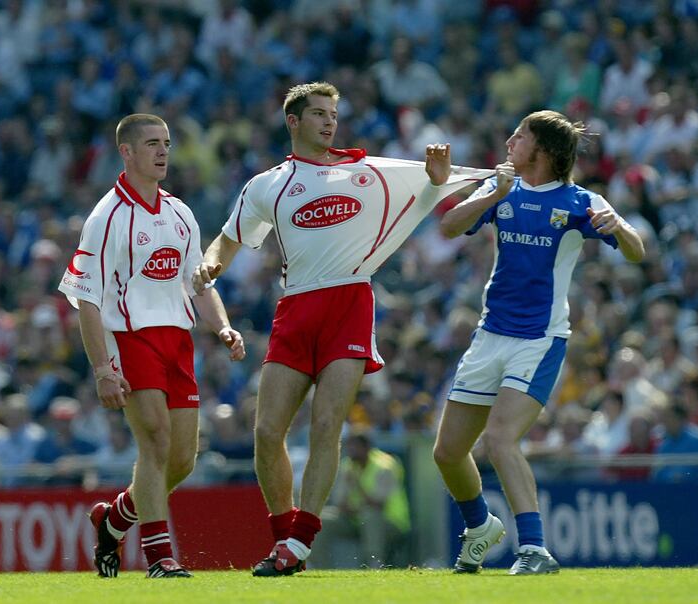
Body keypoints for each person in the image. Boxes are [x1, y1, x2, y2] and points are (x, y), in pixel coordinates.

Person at [193, 82, 490, 577]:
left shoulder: (363, 171)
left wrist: (438, 181)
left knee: (328, 422)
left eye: (333, 114)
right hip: (295, 308)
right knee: (267, 432)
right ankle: (283, 538)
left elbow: (426, 189)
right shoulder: (268, 185)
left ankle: (301, 542)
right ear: (294, 121)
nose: (330, 122)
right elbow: (227, 242)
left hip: (350, 301)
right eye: (319, 114)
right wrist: (209, 267)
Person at [432, 110, 645, 575]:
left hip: (539, 339)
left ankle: (534, 549)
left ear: (544, 150)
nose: (509, 140)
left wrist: (618, 226)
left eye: (520, 135)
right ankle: (481, 526)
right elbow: (448, 227)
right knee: (447, 452)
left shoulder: (578, 200)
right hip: (490, 335)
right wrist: (494, 194)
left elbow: (636, 252)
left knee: (501, 438)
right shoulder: (499, 188)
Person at [58, 113, 246, 579]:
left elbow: (198, 283)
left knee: (181, 459)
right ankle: (160, 558)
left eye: (166, 143)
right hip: (131, 338)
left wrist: (221, 327)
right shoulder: (106, 217)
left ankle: (115, 518)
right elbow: (86, 297)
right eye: (152, 144)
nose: (163, 152)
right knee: (156, 443)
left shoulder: (180, 212)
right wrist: (103, 368)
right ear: (127, 152)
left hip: (178, 341)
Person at [312, 429, 410, 569]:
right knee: (321, 519)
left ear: (367, 447)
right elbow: (340, 504)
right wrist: (346, 501)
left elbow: (377, 506)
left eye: (355, 446)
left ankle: (373, 564)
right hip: (356, 519)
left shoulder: (385, 466)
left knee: (369, 517)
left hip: (391, 522)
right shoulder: (348, 465)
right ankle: (320, 567)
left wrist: (357, 485)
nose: (351, 450)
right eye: (349, 446)